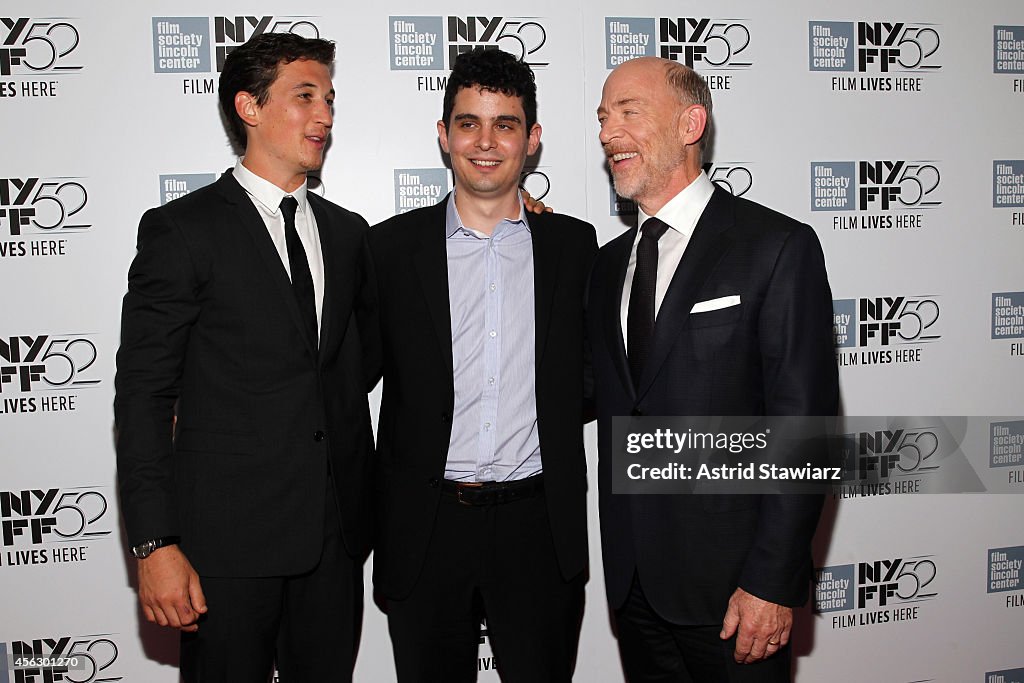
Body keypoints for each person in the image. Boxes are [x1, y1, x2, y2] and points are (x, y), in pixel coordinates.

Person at [114, 32, 373, 682]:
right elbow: (143, 397)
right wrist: (154, 543)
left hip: (332, 544)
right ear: (249, 108)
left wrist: (520, 212)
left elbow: (358, 363)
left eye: (330, 100)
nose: (325, 117)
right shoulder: (182, 230)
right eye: (305, 96)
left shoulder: (350, 234)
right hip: (223, 550)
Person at [588, 56, 839, 682]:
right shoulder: (607, 263)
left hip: (736, 593)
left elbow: (805, 427)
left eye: (628, 112)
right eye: (601, 117)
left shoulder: (775, 246)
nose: (607, 133)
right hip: (636, 585)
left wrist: (771, 581)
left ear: (691, 123)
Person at [360, 47, 597, 682]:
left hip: (538, 528)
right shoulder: (387, 249)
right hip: (426, 526)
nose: (486, 142)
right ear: (444, 135)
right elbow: (342, 377)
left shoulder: (574, 247)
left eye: (506, 124)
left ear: (533, 139)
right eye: (468, 123)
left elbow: (599, 377)